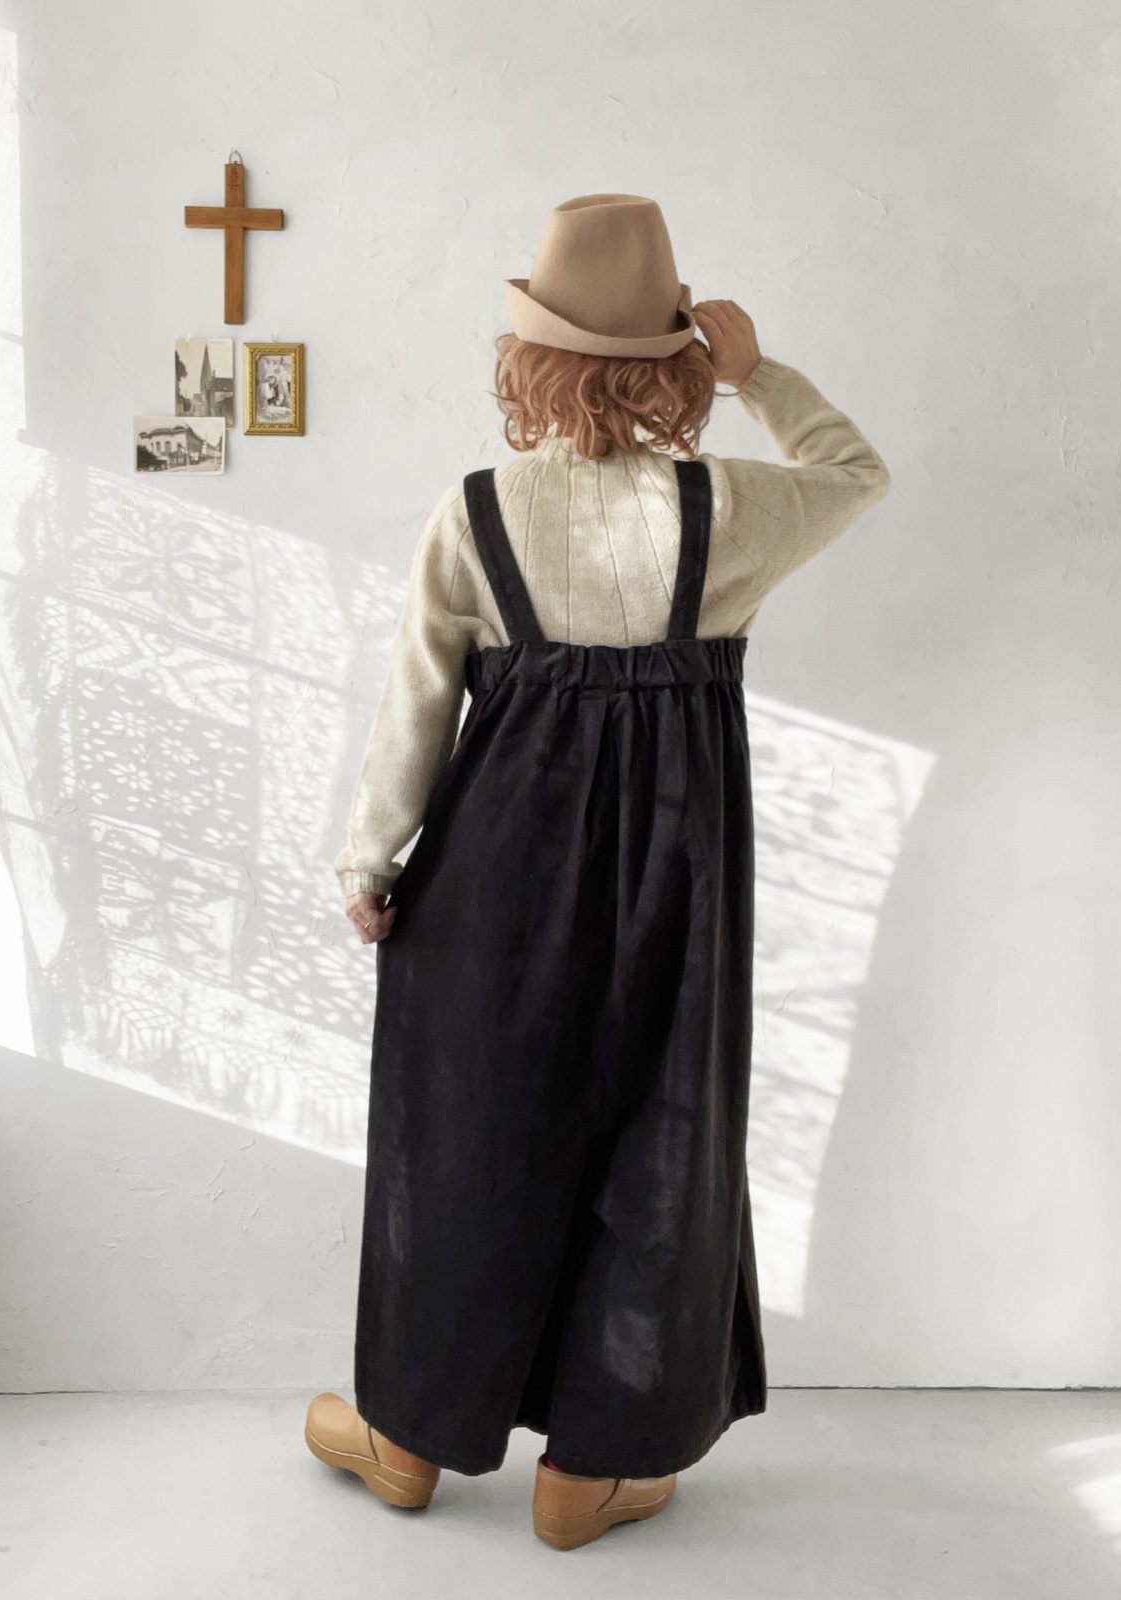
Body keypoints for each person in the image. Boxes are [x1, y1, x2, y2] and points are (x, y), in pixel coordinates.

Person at [304, 193, 891, 1550]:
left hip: (490, 874)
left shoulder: (477, 512)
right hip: (676, 883)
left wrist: (371, 861)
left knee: (466, 1135)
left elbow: (417, 703)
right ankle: (594, 1468)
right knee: (657, 1137)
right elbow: (857, 472)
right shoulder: (731, 509)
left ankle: (406, 1437)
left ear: (527, 361)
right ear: (681, 362)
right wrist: (760, 375)